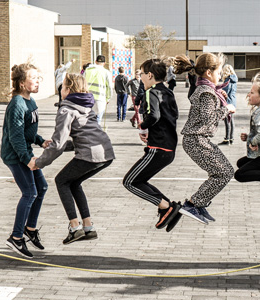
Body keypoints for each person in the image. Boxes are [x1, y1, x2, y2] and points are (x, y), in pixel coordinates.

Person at [32, 73, 115, 244]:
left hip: (91, 154)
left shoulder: (66, 110)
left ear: (68, 90)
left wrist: (39, 163)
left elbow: (59, 145)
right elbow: (83, 137)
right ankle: (88, 227)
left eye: (62, 87)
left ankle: (74, 227)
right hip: (105, 152)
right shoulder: (86, 105)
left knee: (61, 181)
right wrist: (54, 146)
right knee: (74, 182)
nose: (60, 89)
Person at [173, 52, 236, 224]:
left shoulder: (206, 90)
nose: (220, 75)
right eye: (218, 72)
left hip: (199, 139)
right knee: (223, 173)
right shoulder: (207, 92)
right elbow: (209, 118)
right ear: (209, 72)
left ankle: (199, 204)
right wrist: (227, 109)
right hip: (196, 139)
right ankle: (193, 204)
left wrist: (219, 98)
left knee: (225, 171)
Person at [122, 58, 182, 232]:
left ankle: (167, 207)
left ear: (149, 75)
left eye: (141, 74)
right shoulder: (168, 91)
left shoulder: (151, 92)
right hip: (169, 148)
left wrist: (143, 127)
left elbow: (154, 116)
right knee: (140, 180)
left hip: (158, 148)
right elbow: (174, 115)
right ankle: (169, 208)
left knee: (130, 181)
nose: (140, 77)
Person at [1, 63, 51, 259]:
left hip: (25, 152)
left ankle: (29, 228)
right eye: (33, 78)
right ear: (22, 83)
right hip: (15, 155)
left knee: (42, 188)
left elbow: (28, 131)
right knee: (30, 193)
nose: (38, 81)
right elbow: (15, 137)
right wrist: (27, 159)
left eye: (39, 77)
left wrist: (40, 141)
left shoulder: (30, 101)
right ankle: (16, 237)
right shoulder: (17, 104)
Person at [85, 55, 112, 124]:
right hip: (100, 98)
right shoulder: (106, 72)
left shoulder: (87, 70)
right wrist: (108, 98)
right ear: (104, 63)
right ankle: (96, 133)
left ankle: (89, 133)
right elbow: (109, 86)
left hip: (88, 97)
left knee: (88, 118)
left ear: (95, 62)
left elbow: (82, 83)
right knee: (98, 119)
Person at [219, 64, 238, 145]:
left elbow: (225, 92)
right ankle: (231, 138)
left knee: (227, 120)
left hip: (228, 101)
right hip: (233, 101)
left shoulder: (228, 80)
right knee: (231, 120)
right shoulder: (234, 79)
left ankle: (227, 139)